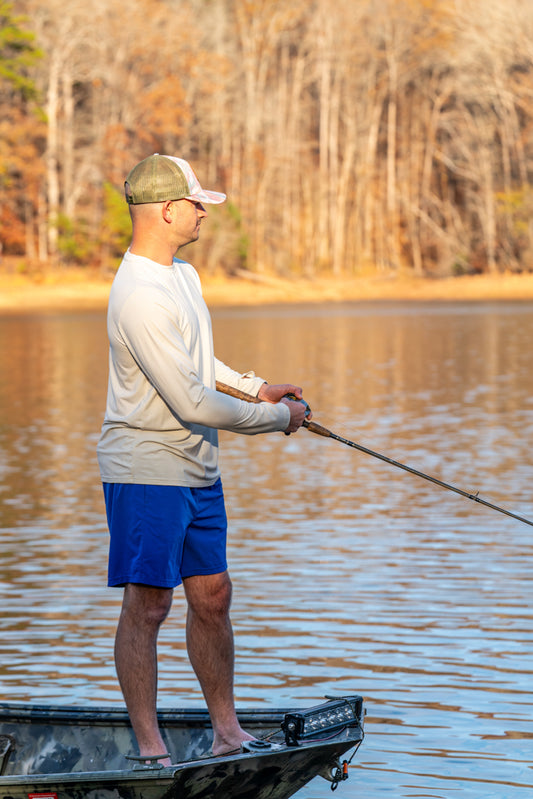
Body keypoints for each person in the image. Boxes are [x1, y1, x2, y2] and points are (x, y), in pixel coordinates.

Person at [96, 153, 308, 763]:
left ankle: (227, 732)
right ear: (166, 210)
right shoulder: (137, 294)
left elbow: (198, 365)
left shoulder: (182, 275)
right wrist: (277, 421)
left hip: (196, 469)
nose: (202, 215)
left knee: (213, 596)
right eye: (195, 205)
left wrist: (255, 388)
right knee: (149, 604)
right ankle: (150, 747)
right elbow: (190, 399)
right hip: (145, 470)